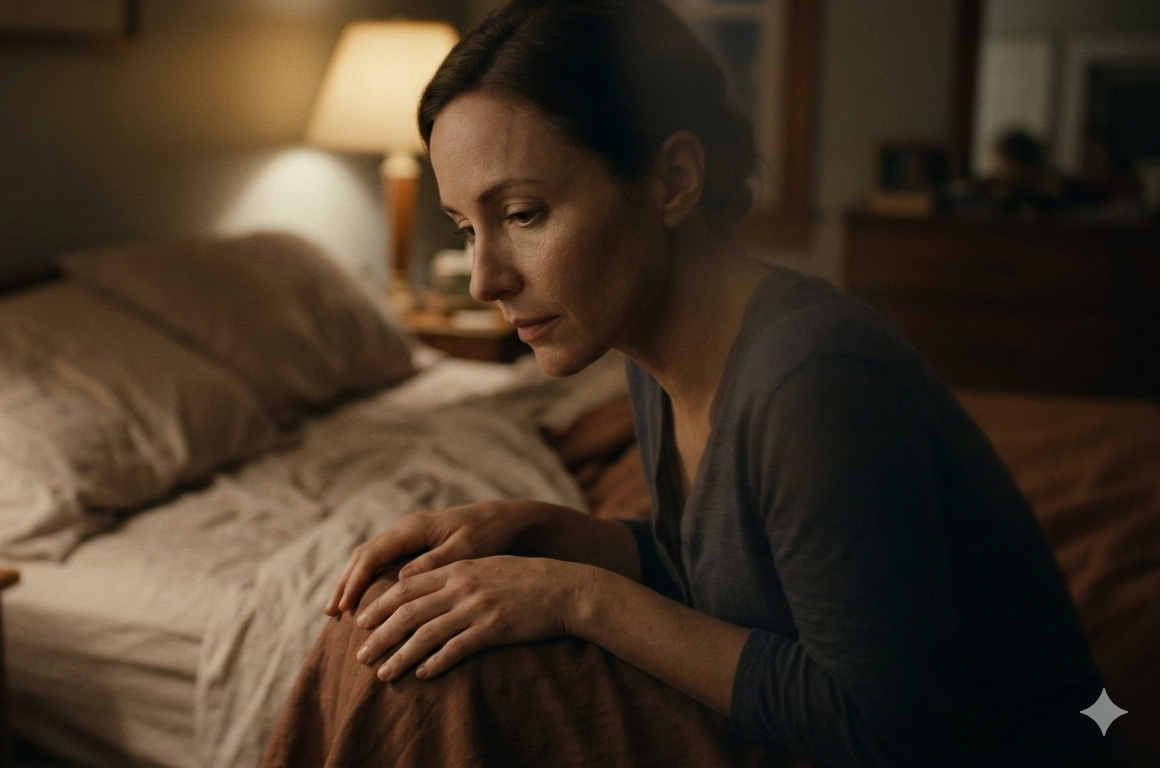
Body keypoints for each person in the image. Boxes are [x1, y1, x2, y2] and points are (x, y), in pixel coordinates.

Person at [264, 1, 1121, 765]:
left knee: (440, 683)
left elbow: (882, 731)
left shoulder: (813, 386)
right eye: (464, 226)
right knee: (398, 623)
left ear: (672, 180)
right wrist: (555, 532)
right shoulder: (652, 348)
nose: (484, 279)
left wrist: (577, 596)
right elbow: (737, 575)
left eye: (522, 215)